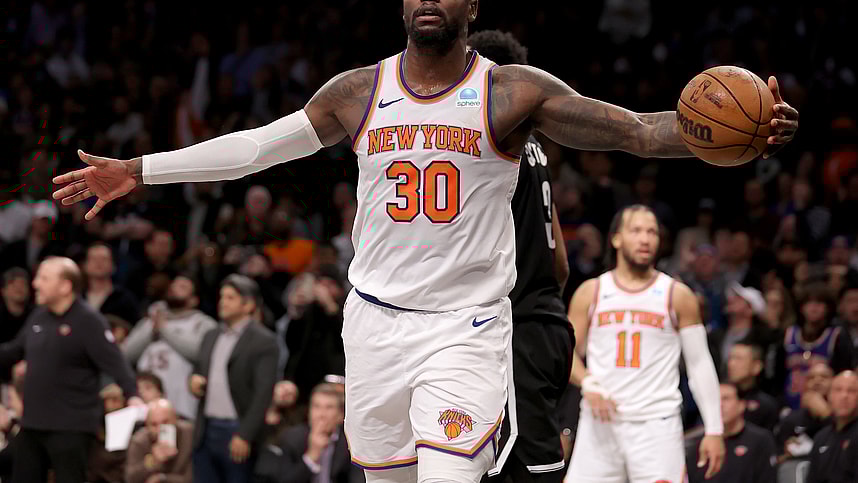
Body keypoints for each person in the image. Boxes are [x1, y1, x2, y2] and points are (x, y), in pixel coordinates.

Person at [51, 2, 799, 480]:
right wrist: (142, 169)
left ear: (471, 7)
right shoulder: (357, 91)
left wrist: (734, 132)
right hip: (374, 324)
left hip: (466, 328)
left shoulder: (512, 91)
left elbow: (639, 130)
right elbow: (253, 149)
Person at [467, 30, 571, 483]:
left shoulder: (490, 144)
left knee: (527, 466)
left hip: (517, 326)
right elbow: (561, 261)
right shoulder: (535, 149)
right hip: (548, 320)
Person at [564, 205, 725, 483]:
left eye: (652, 232)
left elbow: (699, 364)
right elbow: (565, 356)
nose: (645, 239)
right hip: (600, 423)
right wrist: (588, 383)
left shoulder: (678, 294)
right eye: (636, 230)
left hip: (657, 425)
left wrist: (714, 428)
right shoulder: (592, 292)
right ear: (616, 238)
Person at [0, 256, 141, 483]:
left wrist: (132, 394)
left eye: (44, 278)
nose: (35, 284)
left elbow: (115, 362)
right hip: (33, 423)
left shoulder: (89, 321)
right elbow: (13, 351)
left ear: (65, 286)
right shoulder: (39, 316)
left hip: (70, 426)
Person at [190, 274, 278, 483]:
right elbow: (198, 369)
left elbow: (263, 393)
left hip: (236, 429)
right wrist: (192, 381)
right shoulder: (211, 335)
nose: (223, 302)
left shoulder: (263, 341)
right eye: (222, 297)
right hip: (205, 428)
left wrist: (245, 434)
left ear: (248, 305)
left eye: (230, 297)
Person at [124, 274, 218, 420]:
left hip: (183, 407)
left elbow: (200, 353)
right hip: (143, 407)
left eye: (182, 287)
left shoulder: (202, 323)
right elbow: (126, 354)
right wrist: (152, 330)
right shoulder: (150, 321)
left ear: (194, 300)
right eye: (173, 285)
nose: (174, 289)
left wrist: (165, 329)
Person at [254, 382, 364, 483]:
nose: (321, 414)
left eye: (329, 407)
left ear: (340, 416)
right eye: (316, 407)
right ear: (309, 412)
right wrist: (311, 456)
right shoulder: (291, 438)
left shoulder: (351, 442)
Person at [686, 383, 777, 483]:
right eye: (715, 399)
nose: (720, 404)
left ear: (741, 405)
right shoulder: (700, 445)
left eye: (726, 399)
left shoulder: (761, 440)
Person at [126, 398, 194, 483]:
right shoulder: (139, 441)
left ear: (175, 419)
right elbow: (131, 479)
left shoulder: (190, 434)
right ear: (147, 426)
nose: (160, 430)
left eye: (165, 422)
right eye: (154, 425)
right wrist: (153, 461)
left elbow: (195, 477)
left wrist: (162, 478)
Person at [807, 370, 858, 482]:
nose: (844, 396)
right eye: (838, 390)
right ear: (829, 396)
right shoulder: (821, 437)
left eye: (852, 391)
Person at [776, 362, 833, 461]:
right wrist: (788, 451)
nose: (817, 381)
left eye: (824, 377)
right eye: (811, 378)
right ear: (805, 385)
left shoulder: (847, 417)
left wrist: (826, 414)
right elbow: (778, 457)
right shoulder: (791, 419)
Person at [726, 342, 780, 432]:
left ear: (756, 367)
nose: (731, 364)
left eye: (738, 359)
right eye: (730, 358)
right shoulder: (717, 399)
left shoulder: (767, 406)